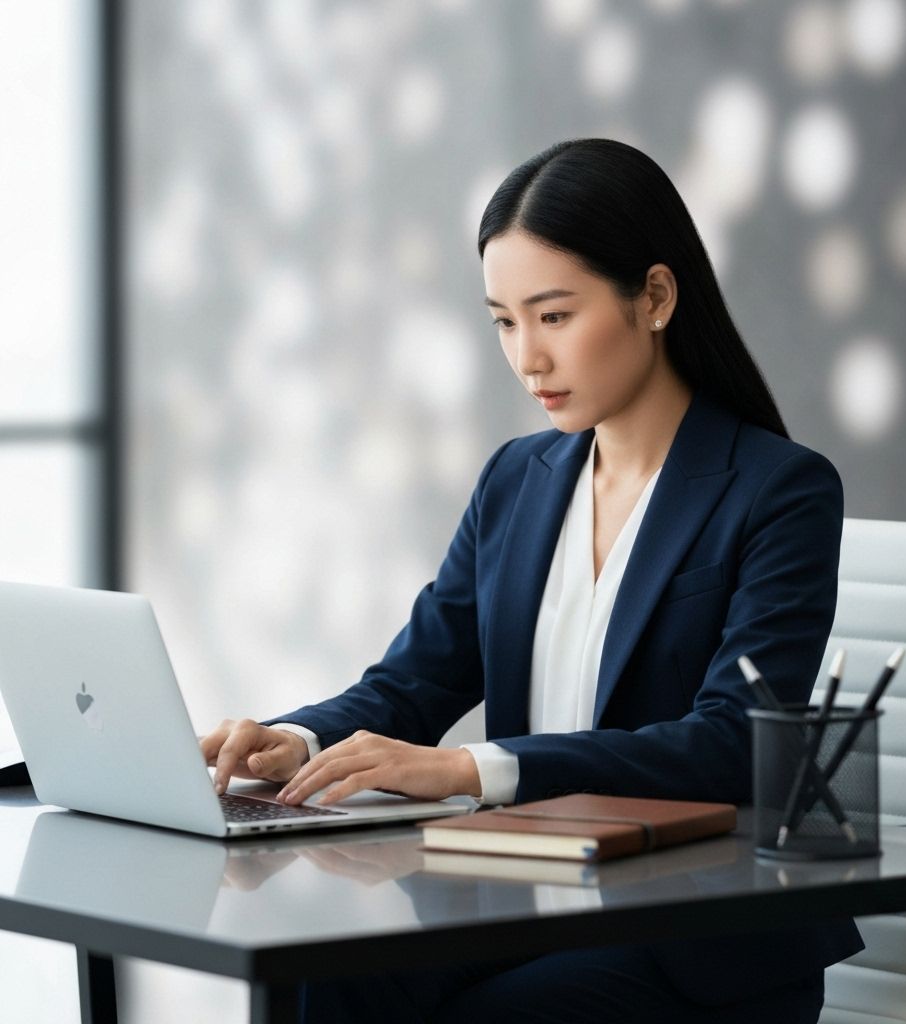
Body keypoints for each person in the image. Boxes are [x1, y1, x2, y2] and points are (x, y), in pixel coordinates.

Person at [201, 138, 863, 1022]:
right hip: (521, 904)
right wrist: (303, 743)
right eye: (504, 322)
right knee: (322, 979)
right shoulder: (517, 480)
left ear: (655, 298)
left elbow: (732, 743)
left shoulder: (780, 490)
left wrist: (472, 769)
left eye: (553, 316)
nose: (527, 359)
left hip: (695, 944)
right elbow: (416, 681)